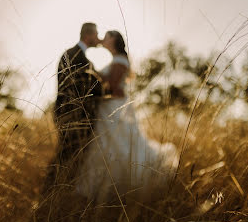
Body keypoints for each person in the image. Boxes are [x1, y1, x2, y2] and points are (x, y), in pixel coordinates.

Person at [76, 30, 179, 201]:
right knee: (106, 146)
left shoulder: (119, 60)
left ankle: (121, 187)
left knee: (119, 146)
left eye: (107, 36)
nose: (104, 38)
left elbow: (114, 87)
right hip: (108, 108)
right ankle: (103, 189)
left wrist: (92, 76)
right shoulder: (116, 60)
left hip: (114, 108)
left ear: (114, 40)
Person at [43, 22, 104, 195]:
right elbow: (83, 88)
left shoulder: (73, 55)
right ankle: (50, 193)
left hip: (72, 114)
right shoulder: (75, 56)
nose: (98, 38)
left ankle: (59, 193)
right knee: (66, 156)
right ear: (88, 36)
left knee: (70, 156)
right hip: (72, 115)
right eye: (96, 35)